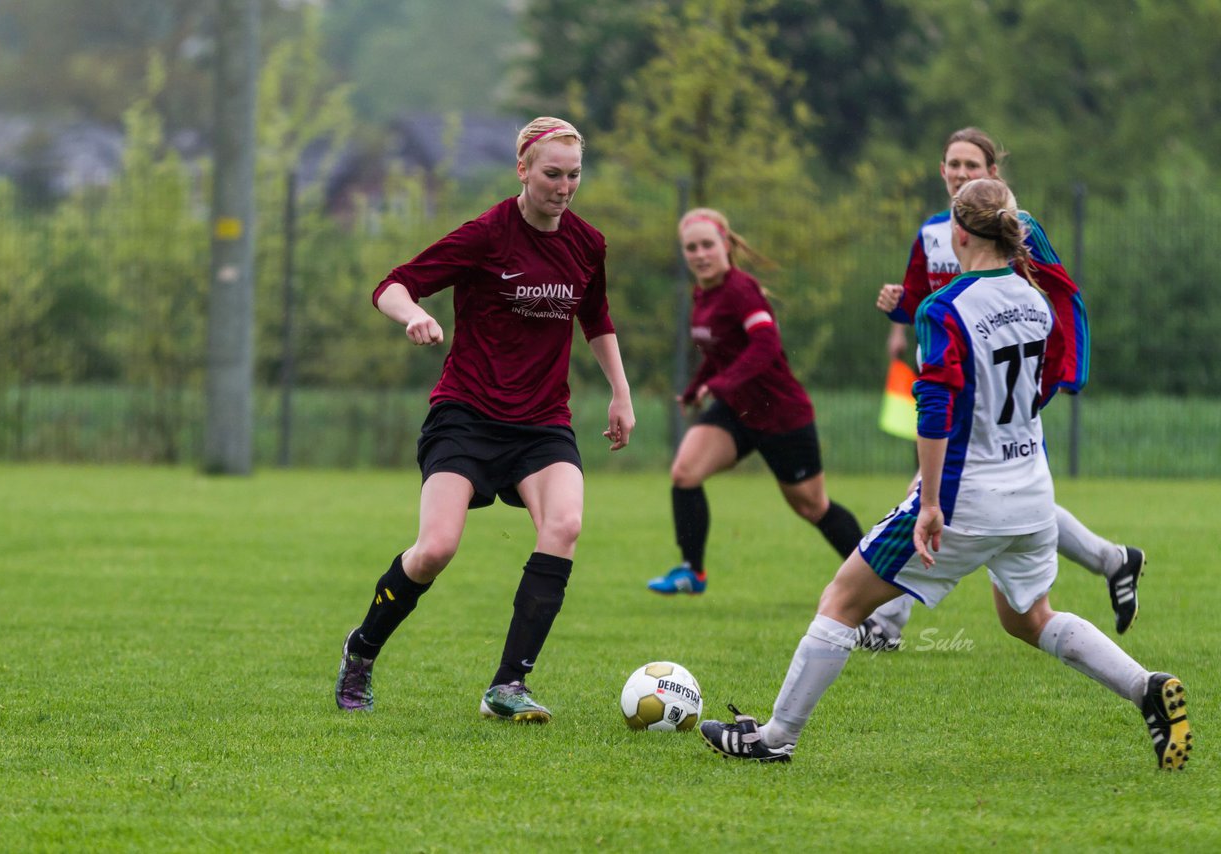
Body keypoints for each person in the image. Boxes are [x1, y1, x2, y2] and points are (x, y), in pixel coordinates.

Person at [699, 178, 1192, 770]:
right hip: (1032, 494)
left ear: (957, 233)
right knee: (1029, 619)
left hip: (967, 498)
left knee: (841, 601)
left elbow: (934, 409)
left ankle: (774, 738)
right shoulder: (1034, 299)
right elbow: (1046, 377)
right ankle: (1147, 688)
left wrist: (928, 503)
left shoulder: (946, 306)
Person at [334, 117, 636, 723]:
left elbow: (596, 317)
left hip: (542, 423)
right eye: (552, 174)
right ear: (522, 170)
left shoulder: (587, 243)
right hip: (466, 416)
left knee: (565, 526)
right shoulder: (486, 235)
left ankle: (508, 685)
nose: (565, 187)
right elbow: (393, 285)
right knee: (436, 548)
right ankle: (361, 651)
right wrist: (412, 316)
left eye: (574, 174)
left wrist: (620, 394)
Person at [862, 127, 1143, 649]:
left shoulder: (1016, 229)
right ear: (941, 170)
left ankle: (883, 623)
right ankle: (1112, 559)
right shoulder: (931, 232)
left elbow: (1061, 296)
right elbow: (924, 300)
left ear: (994, 173)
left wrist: (1065, 374)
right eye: (953, 164)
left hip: (994, 386)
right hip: (948, 384)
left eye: (973, 165)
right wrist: (897, 303)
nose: (962, 174)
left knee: (935, 495)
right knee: (999, 496)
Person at [644, 209, 866, 595]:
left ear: (726, 246)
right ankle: (691, 572)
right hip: (736, 409)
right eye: (691, 247)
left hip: (779, 414)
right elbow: (719, 351)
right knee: (685, 473)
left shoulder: (741, 290)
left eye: (707, 245)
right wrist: (700, 386)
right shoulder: (703, 294)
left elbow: (766, 344)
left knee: (812, 507)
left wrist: (721, 383)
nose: (699, 254)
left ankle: (873, 575)